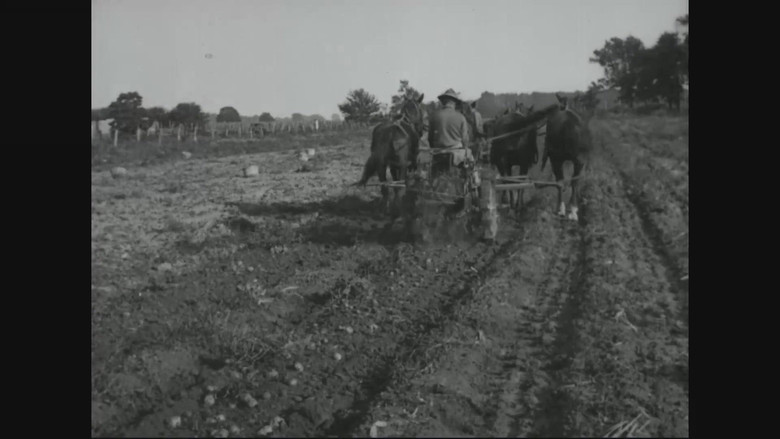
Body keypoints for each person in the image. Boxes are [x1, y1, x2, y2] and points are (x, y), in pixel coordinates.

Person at [428, 89, 474, 172]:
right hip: (456, 153)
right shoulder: (461, 117)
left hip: (437, 152)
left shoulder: (434, 116)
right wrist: (466, 147)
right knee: (471, 159)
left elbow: (430, 138)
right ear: (454, 103)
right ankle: (474, 182)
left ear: (443, 102)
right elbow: (465, 140)